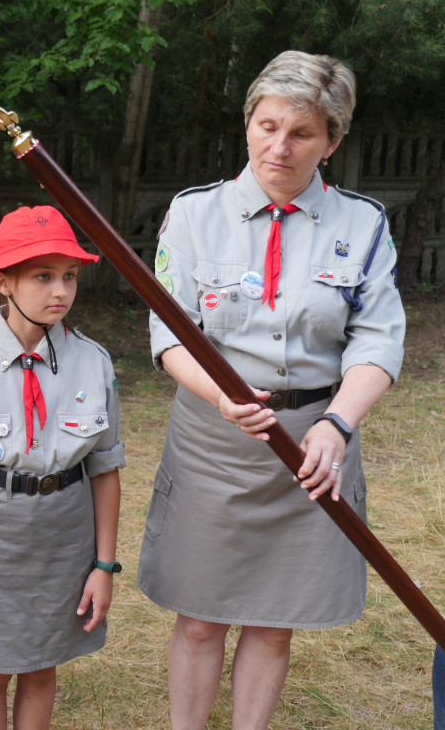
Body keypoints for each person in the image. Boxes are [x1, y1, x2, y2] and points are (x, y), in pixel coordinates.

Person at [138, 50, 406, 730]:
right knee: (200, 621)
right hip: (214, 436)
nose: (278, 146)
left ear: (333, 142)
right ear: (247, 124)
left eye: (302, 133)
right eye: (266, 126)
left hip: (314, 444)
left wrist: (336, 426)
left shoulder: (362, 225)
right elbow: (169, 335)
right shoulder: (194, 215)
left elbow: (377, 341)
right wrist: (221, 397)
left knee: (274, 620)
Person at [0, 206, 124, 730]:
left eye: (69, 276)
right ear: (3, 281)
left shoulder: (94, 361)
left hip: (65, 536)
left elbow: (105, 469)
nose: (60, 290)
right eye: (43, 276)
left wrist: (103, 567)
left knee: (41, 666)